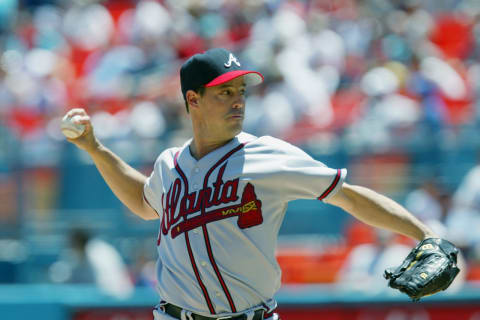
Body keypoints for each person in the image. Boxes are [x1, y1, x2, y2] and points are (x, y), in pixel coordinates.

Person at [63, 48, 437, 320]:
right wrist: (95, 149)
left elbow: (350, 198)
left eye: (241, 91)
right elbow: (144, 203)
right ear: (193, 98)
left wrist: (424, 233)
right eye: (225, 92)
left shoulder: (269, 155)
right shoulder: (169, 165)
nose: (238, 101)